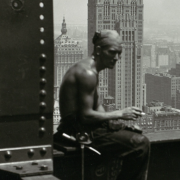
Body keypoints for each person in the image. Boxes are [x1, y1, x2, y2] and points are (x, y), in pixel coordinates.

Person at [54, 30, 150, 180]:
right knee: (140, 144)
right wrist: (121, 114)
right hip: (77, 132)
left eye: (119, 53)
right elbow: (85, 116)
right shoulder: (87, 74)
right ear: (98, 50)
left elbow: (98, 110)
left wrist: (119, 125)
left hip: (85, 129)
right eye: (112, 52)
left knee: (134, 135)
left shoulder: (91, 70)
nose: (117, 58)